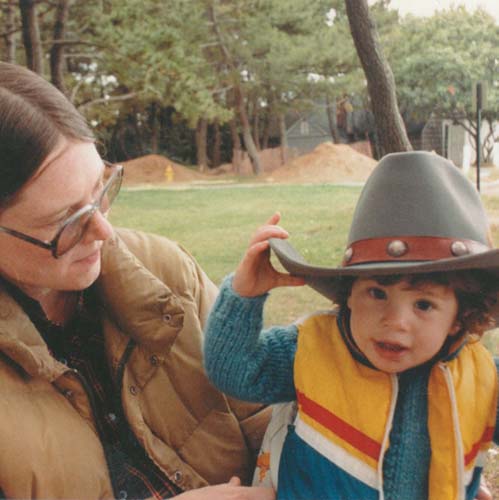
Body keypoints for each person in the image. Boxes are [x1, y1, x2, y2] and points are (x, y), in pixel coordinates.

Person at [0, 61, 274, 499]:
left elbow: (266, 414)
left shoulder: (166, 271)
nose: (105, 233)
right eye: (67, 222)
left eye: (101, 191)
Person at [204, 151, 499, 500]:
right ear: (348, 296)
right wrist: (243, 297)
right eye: (377, 293)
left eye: (423, 304)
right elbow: (234, 371)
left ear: (458, 318)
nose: (395, 321)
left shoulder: (483, 379)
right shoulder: (314, 349)